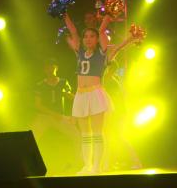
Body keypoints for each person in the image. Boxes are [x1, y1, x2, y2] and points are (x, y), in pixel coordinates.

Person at [64, 13, 136, 174]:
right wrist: (64, 15)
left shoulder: (102, 54)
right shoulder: (79, 52)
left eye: (92, 36)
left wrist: (129, 37)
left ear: (97, 40)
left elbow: (117, 47)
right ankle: (87, 165)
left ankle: (96, 165)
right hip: (81, 95)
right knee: (85, 134)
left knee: (97, 133)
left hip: (95, 94)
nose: (88, 39)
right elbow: (73, 31)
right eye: (86, 37)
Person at [32, 58, 80, 170]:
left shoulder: (63, 82)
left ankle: (78, 162)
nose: (50, 69)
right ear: (45, 70)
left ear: (56, 68)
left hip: (60, 117)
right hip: (45, 116)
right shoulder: (40, 85)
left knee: (77, 136)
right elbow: (38, 105)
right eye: (48, 67)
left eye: (52, 66)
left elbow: (70, 96)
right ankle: (31, 163)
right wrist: (52, 114)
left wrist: (79, 97)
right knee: (32, 137)